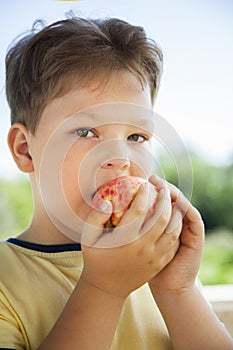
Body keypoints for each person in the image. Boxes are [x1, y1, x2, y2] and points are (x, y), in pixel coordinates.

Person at [1, 14, 232, 350]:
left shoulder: (151, 265)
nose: (120, 157)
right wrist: (103, 288)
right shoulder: (7, 280)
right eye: (86, 132)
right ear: (26, 150)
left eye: (137, 136)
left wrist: (178, 290)